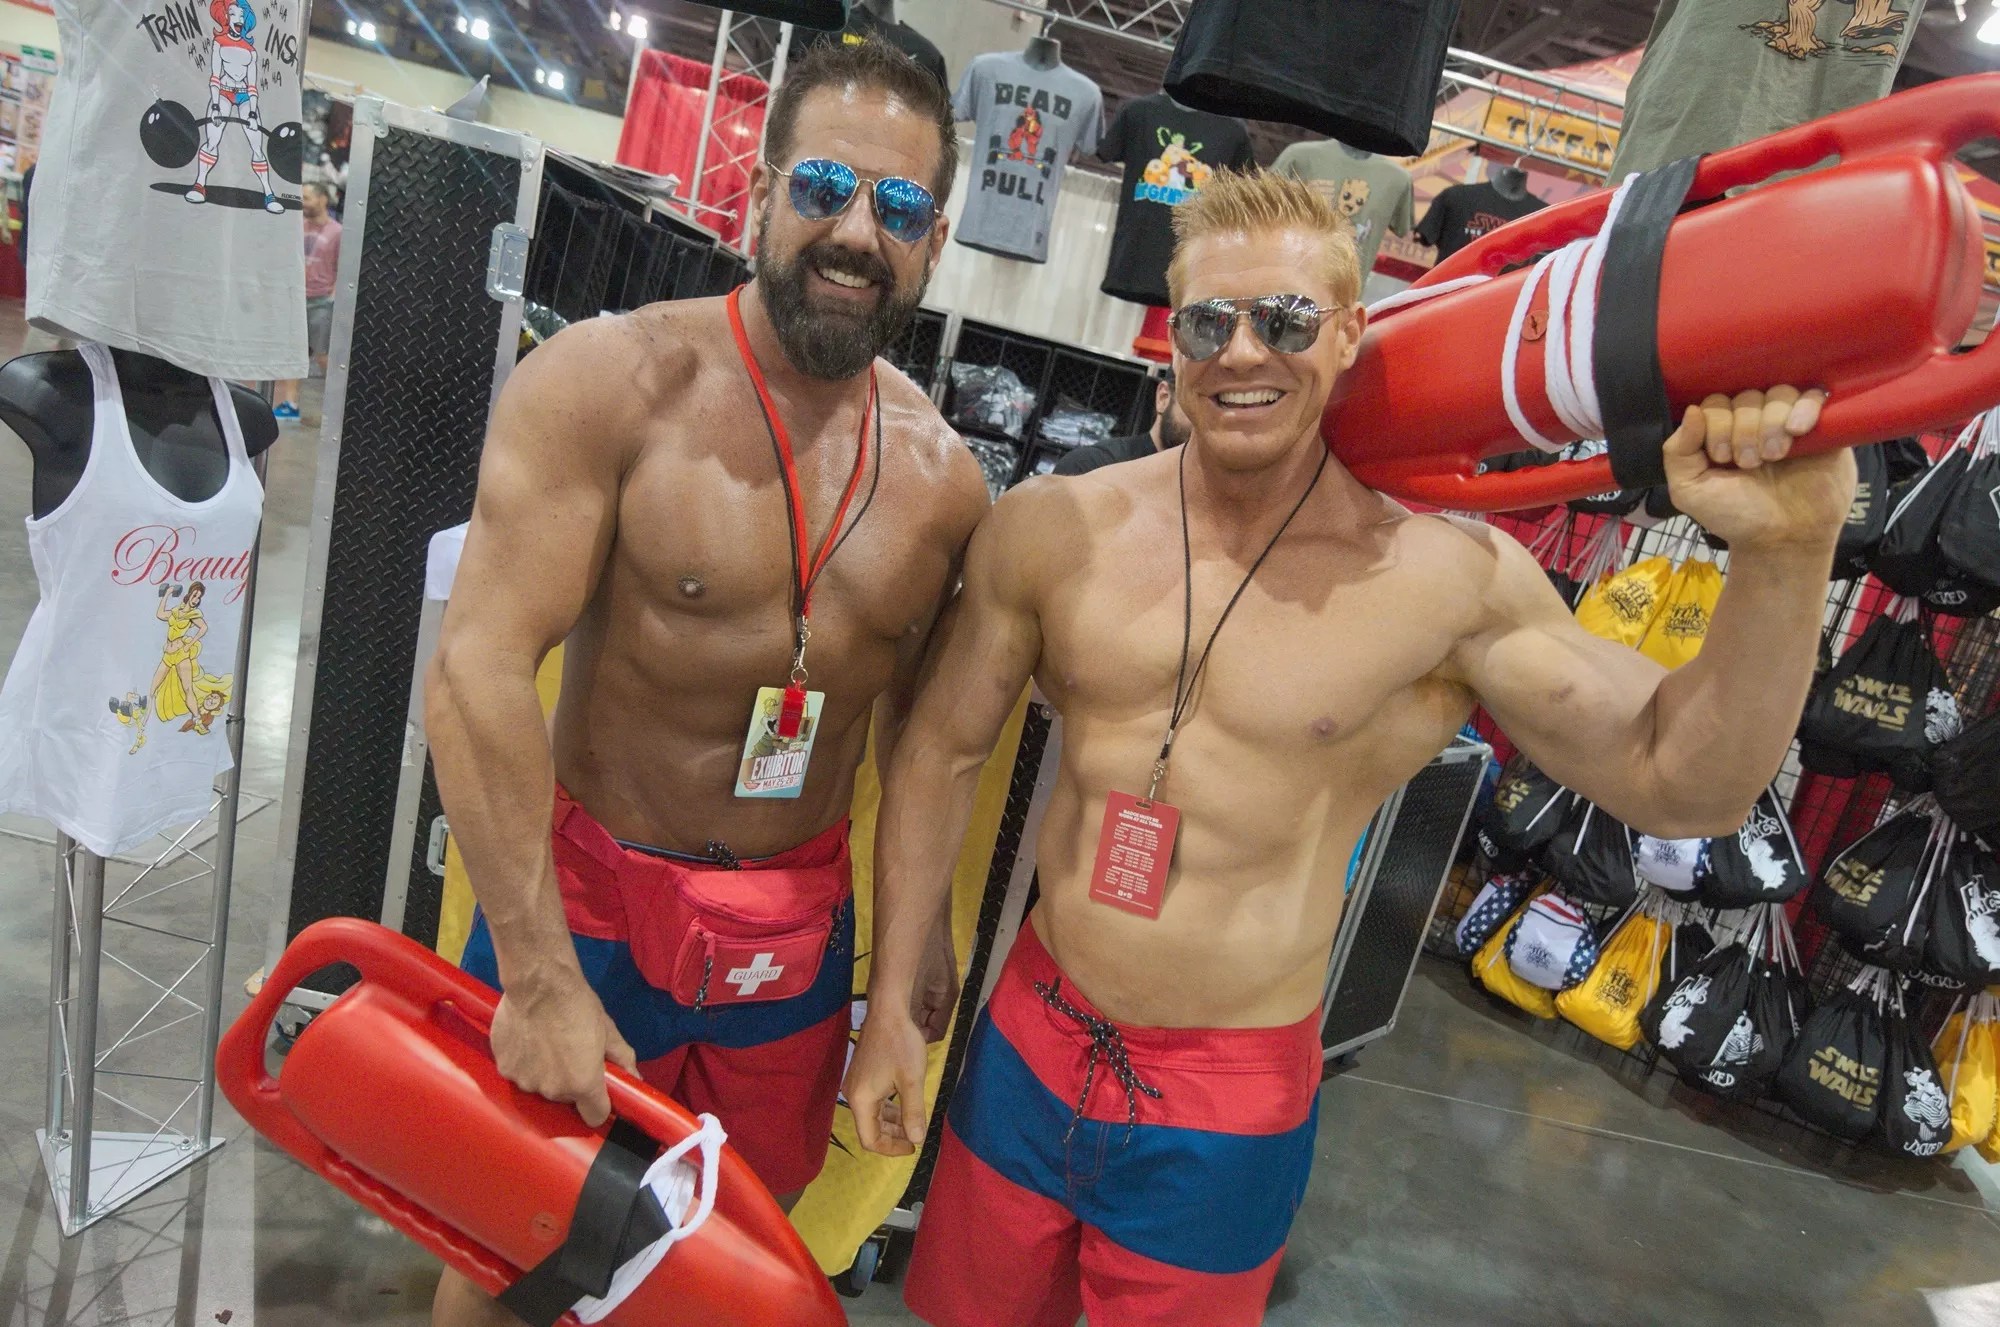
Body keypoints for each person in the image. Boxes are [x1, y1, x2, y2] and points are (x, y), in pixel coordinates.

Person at [846, 169, 1853, 1327]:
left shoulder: (1440, 582)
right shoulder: (1055, 529)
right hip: (1031, 1032)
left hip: (1223, 1099)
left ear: (1346, 333)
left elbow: (1686, 780)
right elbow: (939, 752)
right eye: (1208, 323)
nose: (1240, 352)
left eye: (1283, 320)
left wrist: (1787, 554)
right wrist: (891, 1002)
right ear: (1171, 336)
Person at [423, 40, 988, 1327]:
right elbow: (476, 670)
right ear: (761, 191)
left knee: (723, 1252)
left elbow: (920, 745)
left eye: (899, 208)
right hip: (590, 907)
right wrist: (538, 975)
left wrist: (910, 967)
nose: (857, 233)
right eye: (825, 187)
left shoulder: (944, 483)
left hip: (791, 933)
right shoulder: (609, 384)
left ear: (935, 241)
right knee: (512, 1240)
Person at [274, 182, 340, 421]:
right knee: (295, 354)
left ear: (323, 200)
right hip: (297, 299)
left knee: (323, 356)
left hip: (321, 301)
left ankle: (339, 405)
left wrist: (333, 296)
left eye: (308, 197)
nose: (304, 202)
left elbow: (343, 266)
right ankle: (290, 404)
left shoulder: (337, 232)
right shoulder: (298, 228)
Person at [1050, 369, 1191, 476]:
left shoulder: (1194, 495)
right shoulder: (1092, 467)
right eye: (1197, 400)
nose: (1201, 420)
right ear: (1163, 398)